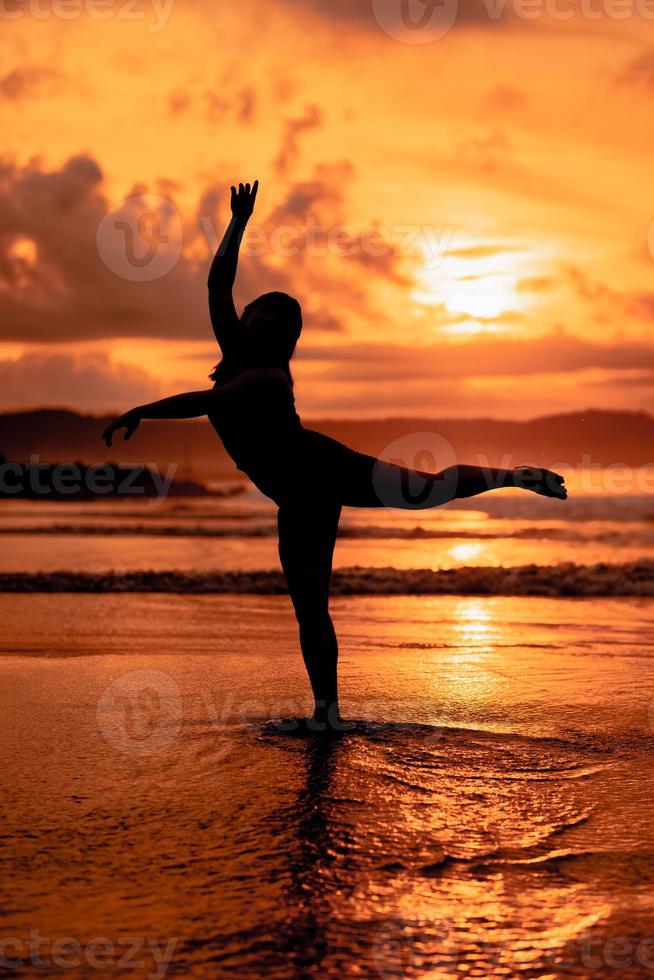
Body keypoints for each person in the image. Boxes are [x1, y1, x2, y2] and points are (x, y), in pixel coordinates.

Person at [102, 180, 567, 734]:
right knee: (309, 606)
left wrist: (141, 411)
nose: (267, 323)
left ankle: (513, 476)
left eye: (280, 324)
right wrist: (239, 221)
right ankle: (327, 713)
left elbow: (206, 401)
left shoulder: (268, 378)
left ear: (287, 340)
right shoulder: (235, 354)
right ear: (246, 318)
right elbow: (216, 282)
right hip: (297, 499)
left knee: (427, 491)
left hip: (321, 467)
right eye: (262, 314)